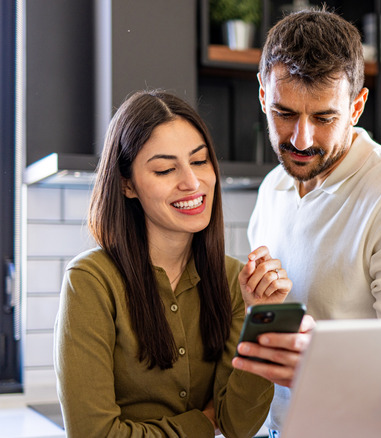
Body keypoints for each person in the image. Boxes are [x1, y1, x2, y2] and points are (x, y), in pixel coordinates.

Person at [231, 8, 381, 435]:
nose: (301, 140)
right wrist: (259, 307)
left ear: (356, 106)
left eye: (324, 118)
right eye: (285, 113)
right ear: (263, 95)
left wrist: (322, 365)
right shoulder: (273, 189)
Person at [54, 90, 294, 438]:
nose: (192, 182)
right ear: (127, 185)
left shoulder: (231, 279)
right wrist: (201, 423)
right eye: (166, 169)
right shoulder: (91, 282)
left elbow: (239, 424)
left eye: (199, 161)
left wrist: (262, 318)